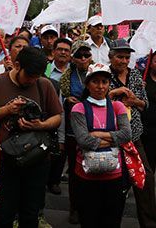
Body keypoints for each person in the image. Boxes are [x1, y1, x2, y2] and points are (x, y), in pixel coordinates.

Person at [0, 46, 62, 228]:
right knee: (4, 212)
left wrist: (41, 125)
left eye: (37, 76)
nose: (32, 80)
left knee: (30, 213)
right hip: (4, 160)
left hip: (37, 159)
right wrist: (5, 111)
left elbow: (57, 117)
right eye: (29, 76)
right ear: (17, 65)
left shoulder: (44, 84)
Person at [71, 63, 132, 228]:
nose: (100, 86)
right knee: (89, 219)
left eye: (104, 82)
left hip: (114, 175)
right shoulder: (79, 108)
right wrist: (113, 138)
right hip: (86, 175)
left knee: (112, 220)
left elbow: (127, 135)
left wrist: (97, 135)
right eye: (95, 82)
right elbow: (83, 140)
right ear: (87, 84)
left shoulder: (117, 106)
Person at [107, 39, 156, 228]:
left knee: (145, 178)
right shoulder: (102, 74)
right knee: (114, 182)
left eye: (127, 57)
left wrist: (134, 100)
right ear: (111, 57)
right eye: (120, 57)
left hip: (133, 136)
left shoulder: (135, 74)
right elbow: (91, 100)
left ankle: (150, 223)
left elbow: (145, 105)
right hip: (110, 137)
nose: (123, 60)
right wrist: (114, 94)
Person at [59, 39, 93, 222]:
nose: (83, 58)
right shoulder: (67, 76)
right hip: (73, 131)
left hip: (94, 129)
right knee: (74, 172)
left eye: (86, 55)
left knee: (94, 169)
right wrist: (67, 101)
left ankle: (91, 207)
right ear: (73, 58)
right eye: (78, 55)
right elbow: (60, 106)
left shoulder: (98, 72)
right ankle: (75, 208)